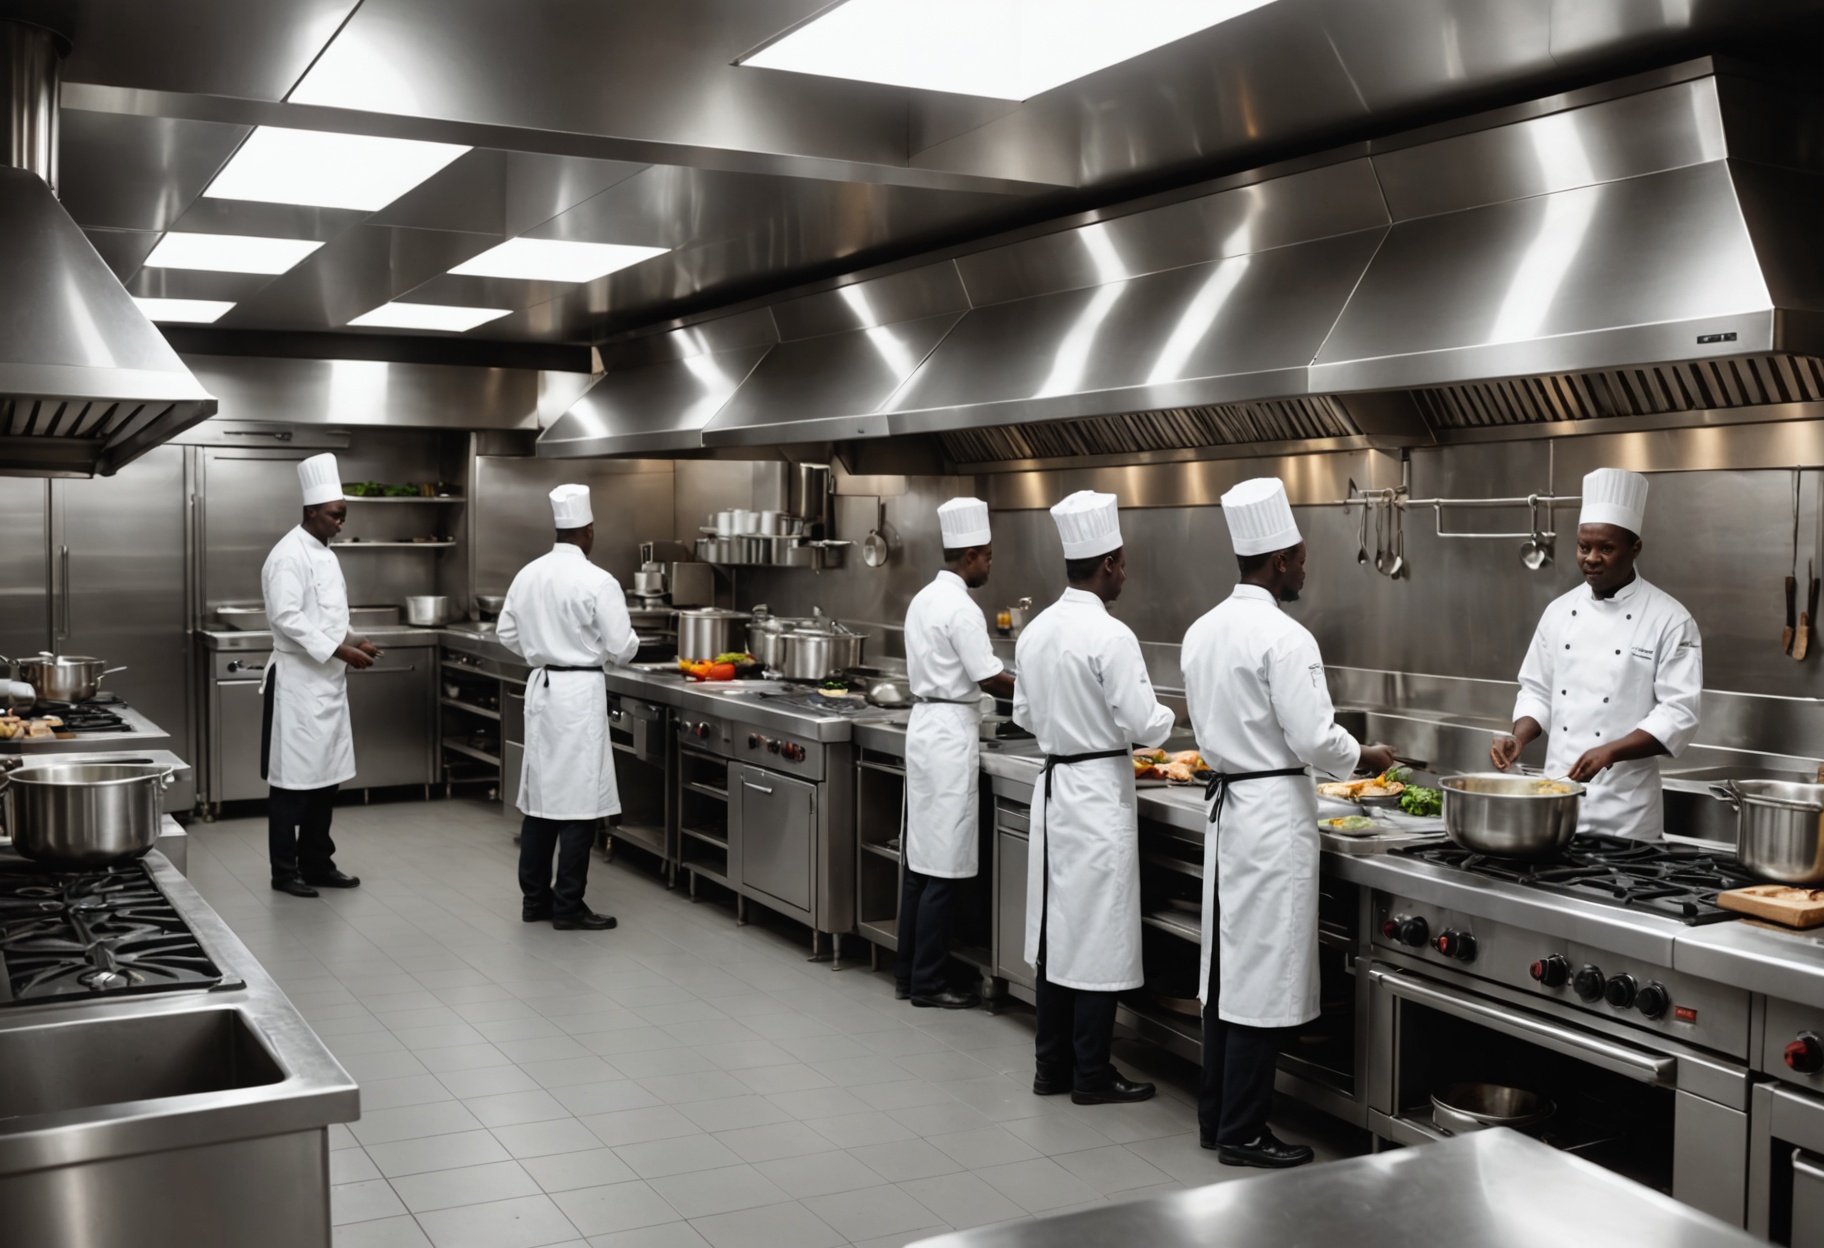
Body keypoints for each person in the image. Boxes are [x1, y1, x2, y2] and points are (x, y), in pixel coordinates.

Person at [1183, 477, 1394, 1168]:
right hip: (1271, 815)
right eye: (1300, 557)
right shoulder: (1286, 635)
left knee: (1225, 974)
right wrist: (1366, 754)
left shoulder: (1202, 629)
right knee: (1261, 977)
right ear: (1280, 561)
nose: (1305, 568)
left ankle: (1219, 1121)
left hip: (1230, 811)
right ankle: (1244, 1134)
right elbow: (1314, 739)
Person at [1015, 490, 1175, 1105]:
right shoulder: (1111, 635)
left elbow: (1025, 713)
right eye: (1123, 563)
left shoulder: (1035, 632)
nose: (1126, 573)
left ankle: (1050, 1069)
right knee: (1099, 933)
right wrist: (1172, 714)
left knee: (1057, 932)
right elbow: (1145, 722)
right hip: (1097, 791)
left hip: (1055, 785)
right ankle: (1091, 1075)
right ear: (1107, 564)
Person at [1491, 468, 1702, 839]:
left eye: (1606, 548)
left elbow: (1679, 714)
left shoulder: (1670, 619)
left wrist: (1611, 751)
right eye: (1583, 546)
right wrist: (1519, 738)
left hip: (1626, 816)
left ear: (1635, 549)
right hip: (1557, 805)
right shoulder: (1558, 611)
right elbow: (1537, 691)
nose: (1591, 558)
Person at [497, 484, 638, 930]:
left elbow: (506, 633)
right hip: (579, 694)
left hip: (543, 688)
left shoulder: (528, 574)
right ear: (589, 530)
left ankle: (534, 902)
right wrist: (616, 650)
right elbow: (622, 645)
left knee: (539, 800)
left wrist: (541, 651)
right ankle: (568, 907)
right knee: (578, 803)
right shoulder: (599, 580)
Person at [898, 498, 1017, 1010]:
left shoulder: (923, 598)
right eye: (988, 556)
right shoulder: (962, 606)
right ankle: (929, 983)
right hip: (948, 732)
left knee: (920, 864)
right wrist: (1039, 688)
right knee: (943, 865)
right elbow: (989, 674)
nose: (991, 564)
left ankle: (909, 975)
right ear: (969, 555)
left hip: (925, 725)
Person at [260, 452, 372, 898]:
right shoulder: (288, 555)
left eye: (343, 516)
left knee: (326, 781)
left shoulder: (324, 553)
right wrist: (338, 649)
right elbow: (288, 616)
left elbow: (323, 614)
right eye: (335, 516)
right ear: (312, 512)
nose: (340, 524)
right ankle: (285, 872)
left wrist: (353, 639)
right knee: (292, 786)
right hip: (297, 685)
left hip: (326, 683)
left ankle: (318, 863)